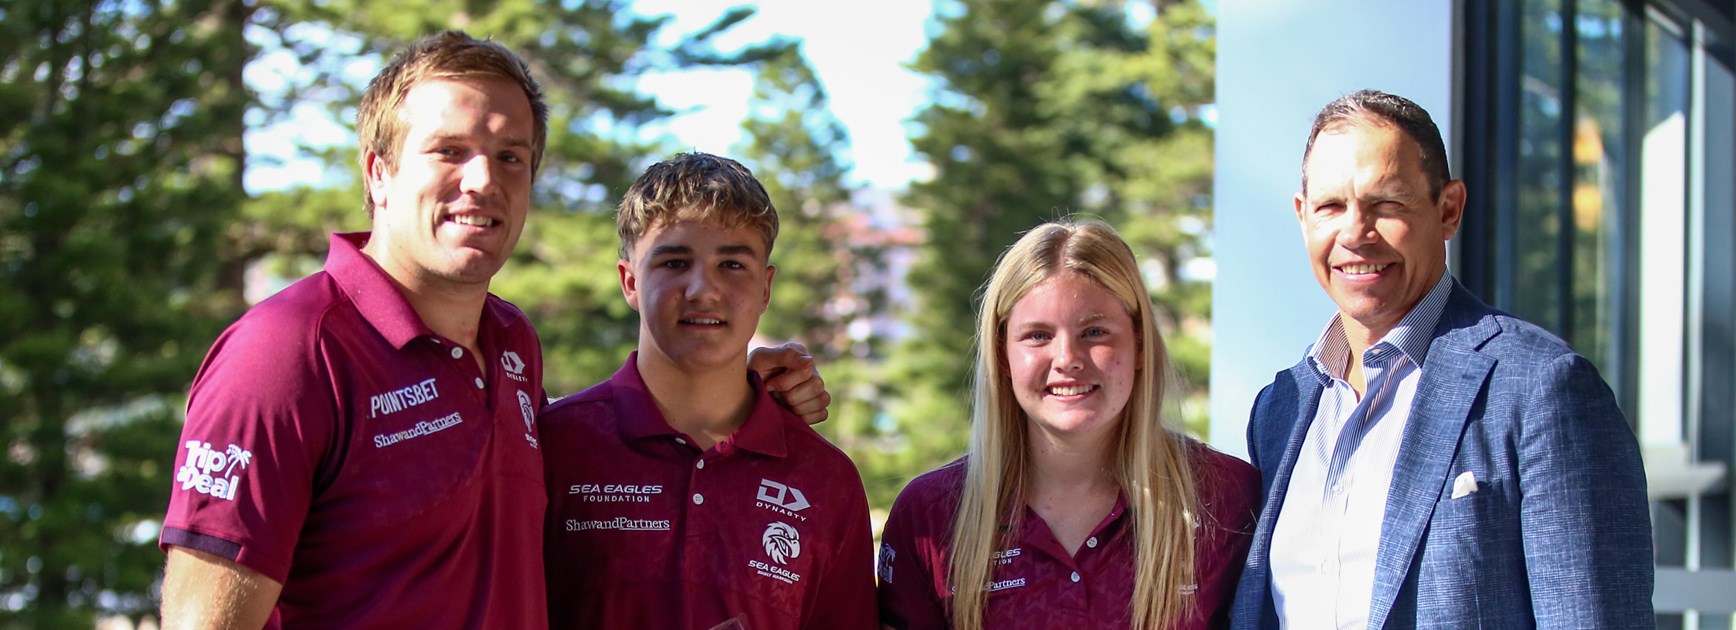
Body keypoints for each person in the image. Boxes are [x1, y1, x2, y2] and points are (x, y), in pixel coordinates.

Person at [157, 33, 828, 629]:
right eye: (450, 151)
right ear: (378, 173)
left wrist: (732, 376)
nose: (482, 181)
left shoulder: (510, 345)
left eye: (511, 157)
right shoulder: (287, 352)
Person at [1229, 90, 1653, 629]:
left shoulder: (1542, 386)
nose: (1355, 234)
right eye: (1331, 207)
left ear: (1448, 209)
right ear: (1302, 216)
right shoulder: (1280, 409)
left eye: (1387, 204)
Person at [540, 152, 877, 629]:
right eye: (675, 262)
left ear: (766, 287)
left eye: (732, 264)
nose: (703, 290)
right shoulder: (553, 447)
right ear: (630, 281)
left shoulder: (825, 480)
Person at [877, 219, 1260, 630]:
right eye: (1038, 336)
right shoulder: (931, 515)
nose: (1067, 359)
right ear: (1002, 355)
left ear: (1140, 346)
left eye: (1094, 331)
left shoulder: (1230, 500)